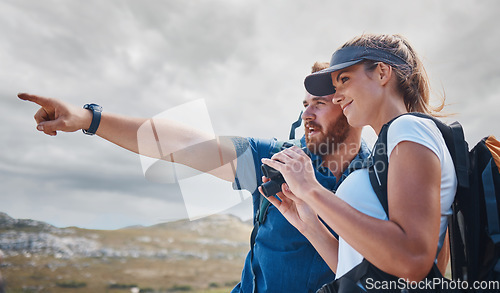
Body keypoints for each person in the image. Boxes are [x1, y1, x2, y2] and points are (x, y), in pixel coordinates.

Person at [18, 61, 370, 293]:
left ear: (350, 106)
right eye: (304, 103)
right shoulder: (273, 159)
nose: (306, 113)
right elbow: (184, 143)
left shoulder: (378, 180)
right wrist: (88, 119)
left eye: (320, 103)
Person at [262, 33, 456, 289]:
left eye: (344, 80)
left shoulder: (409, 129)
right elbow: (361, 270)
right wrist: (310, 224)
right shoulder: (391, 145)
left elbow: (413, 260)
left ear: (382, 73)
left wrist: (312, 189)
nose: (337, 96)